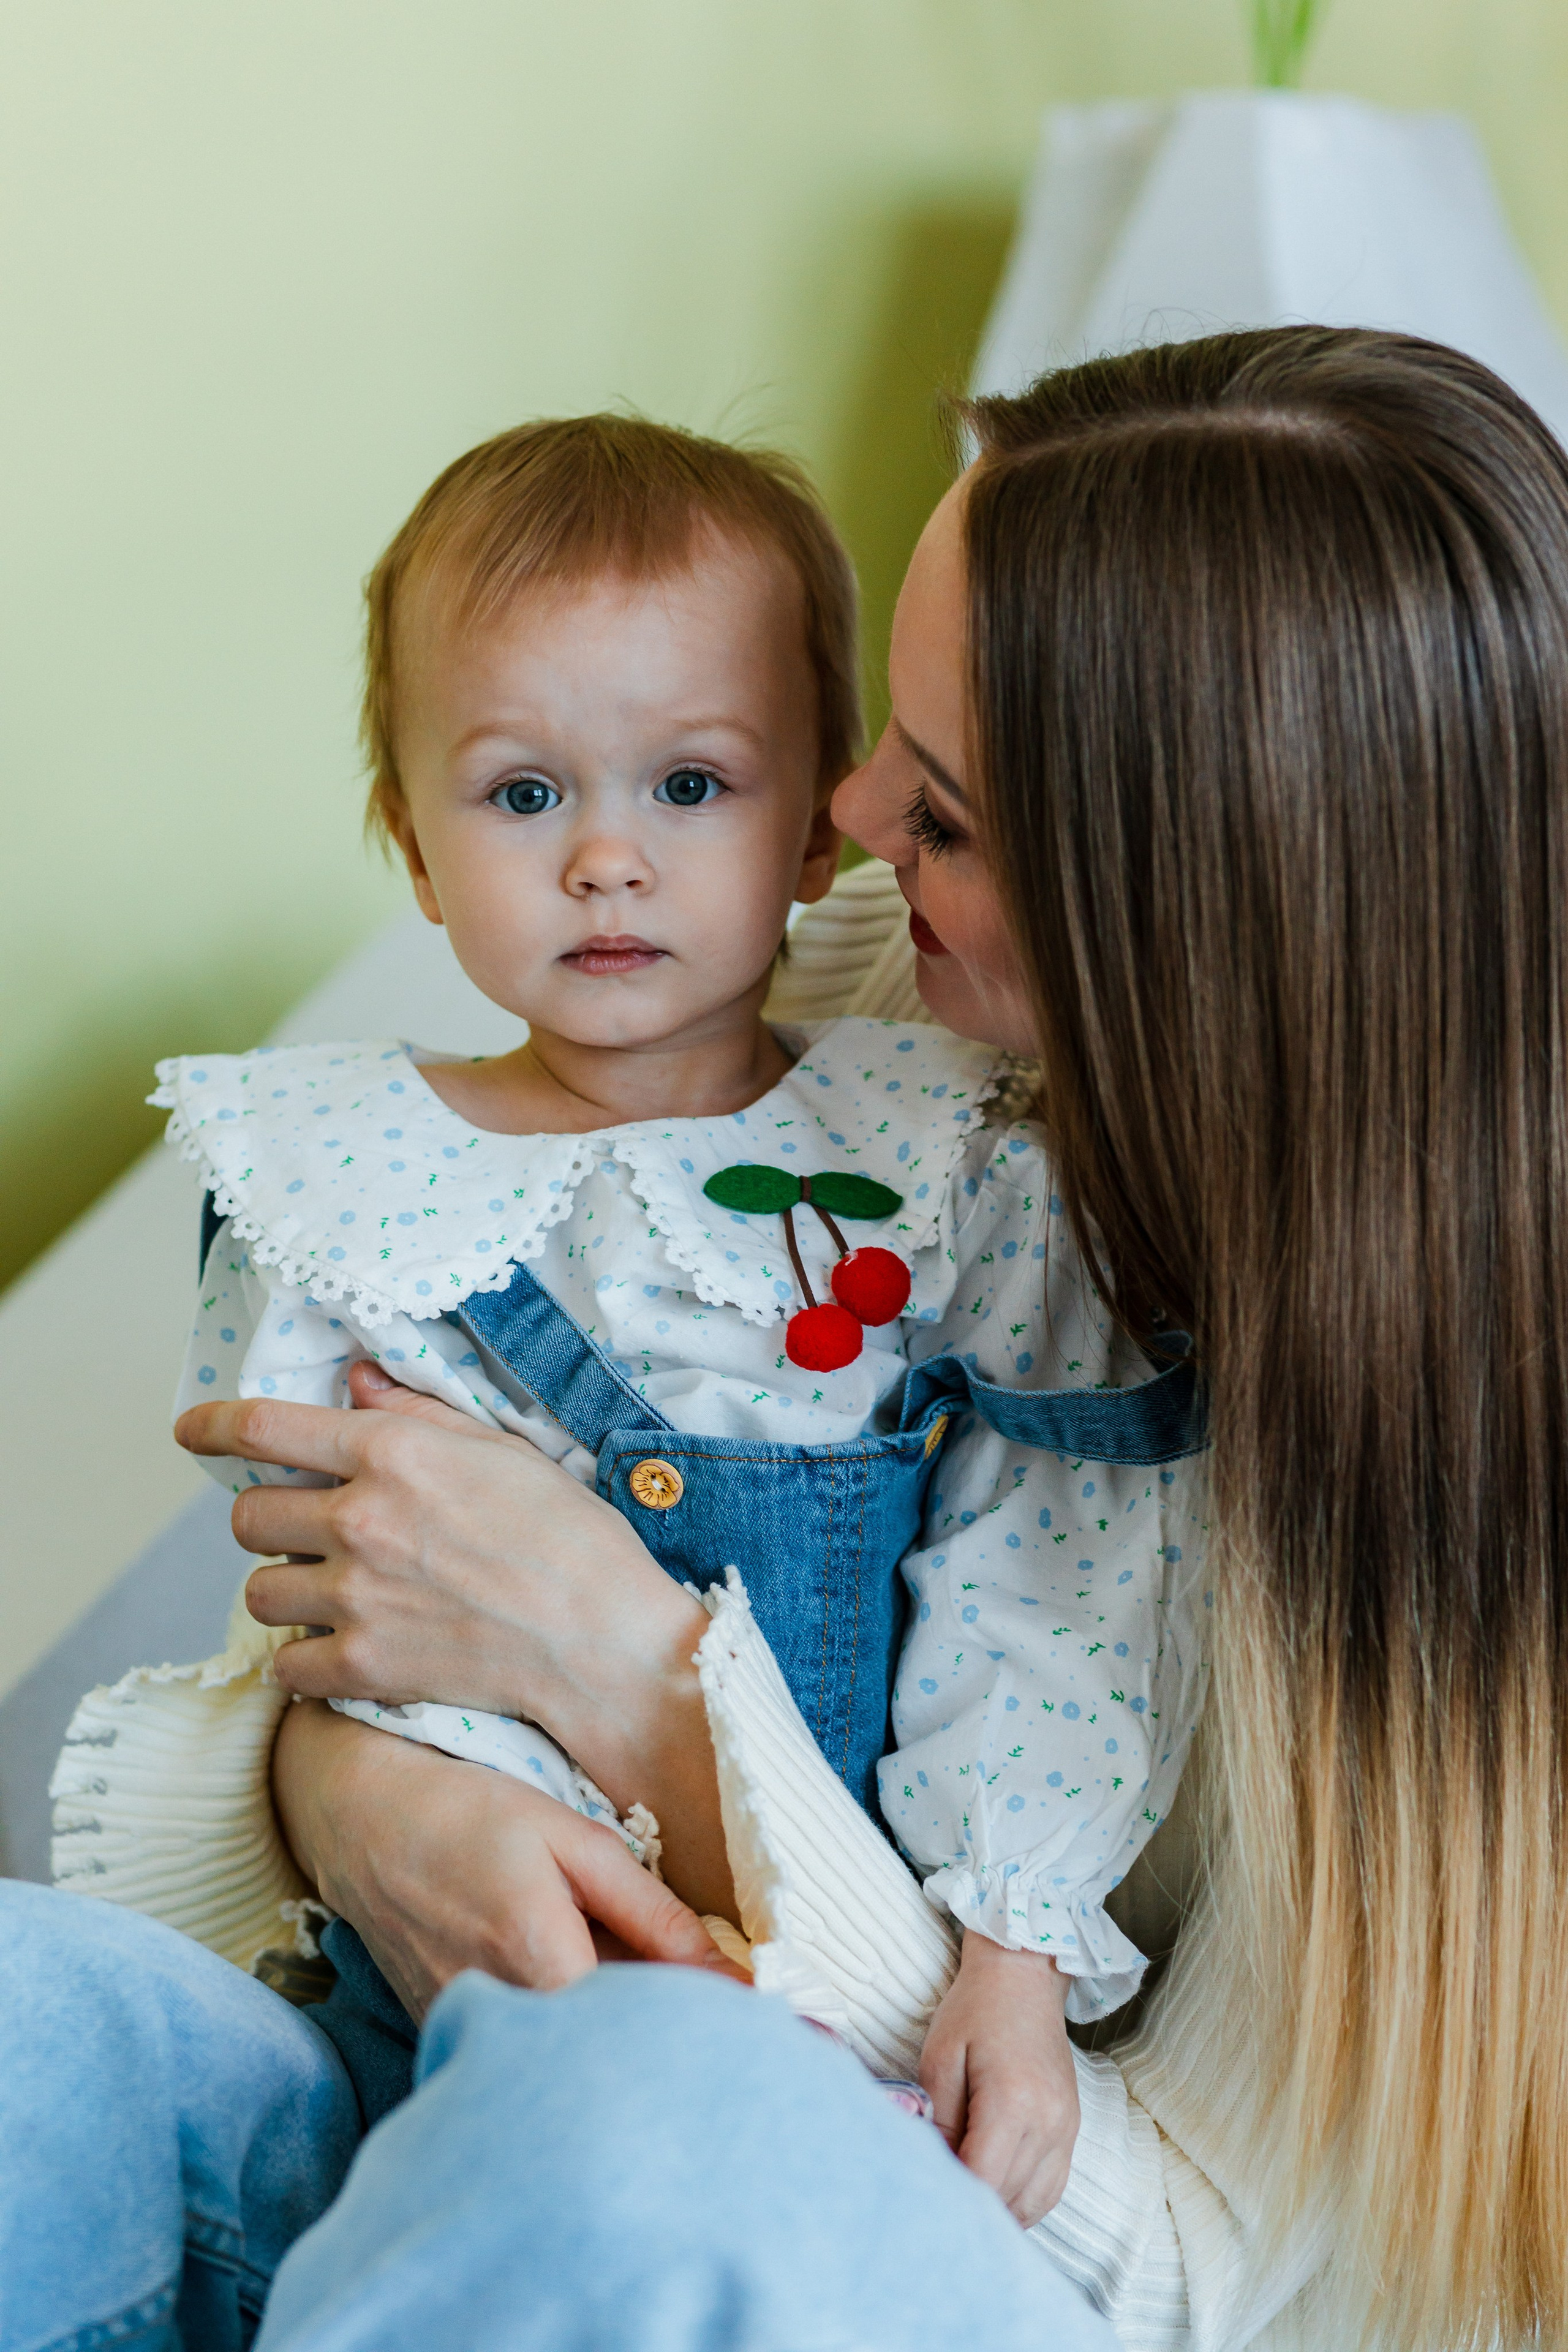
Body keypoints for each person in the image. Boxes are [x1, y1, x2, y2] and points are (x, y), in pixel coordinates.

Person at [17, 320, 1563, 2351]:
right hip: (476, 2072)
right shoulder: (809, 1005)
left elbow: (1221, 2281)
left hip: (923, 2210)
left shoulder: (1438, 1551)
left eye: (937, 810)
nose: (829, 813)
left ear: (1165, 946)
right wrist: (360, 1795)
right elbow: (360, 1582)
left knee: (648, 2111)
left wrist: (655, 1709)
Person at [148, 412, 1204, 2185]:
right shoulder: (340, 1176)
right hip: (426, 1973)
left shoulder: (953, 1158)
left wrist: (1012, 1967)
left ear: (817, 833)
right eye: (525, 793)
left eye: (690, 786)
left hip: (806, 2000)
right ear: (412, 842)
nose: (607, 859)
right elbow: (320, 1615)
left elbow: (1046, 1588)